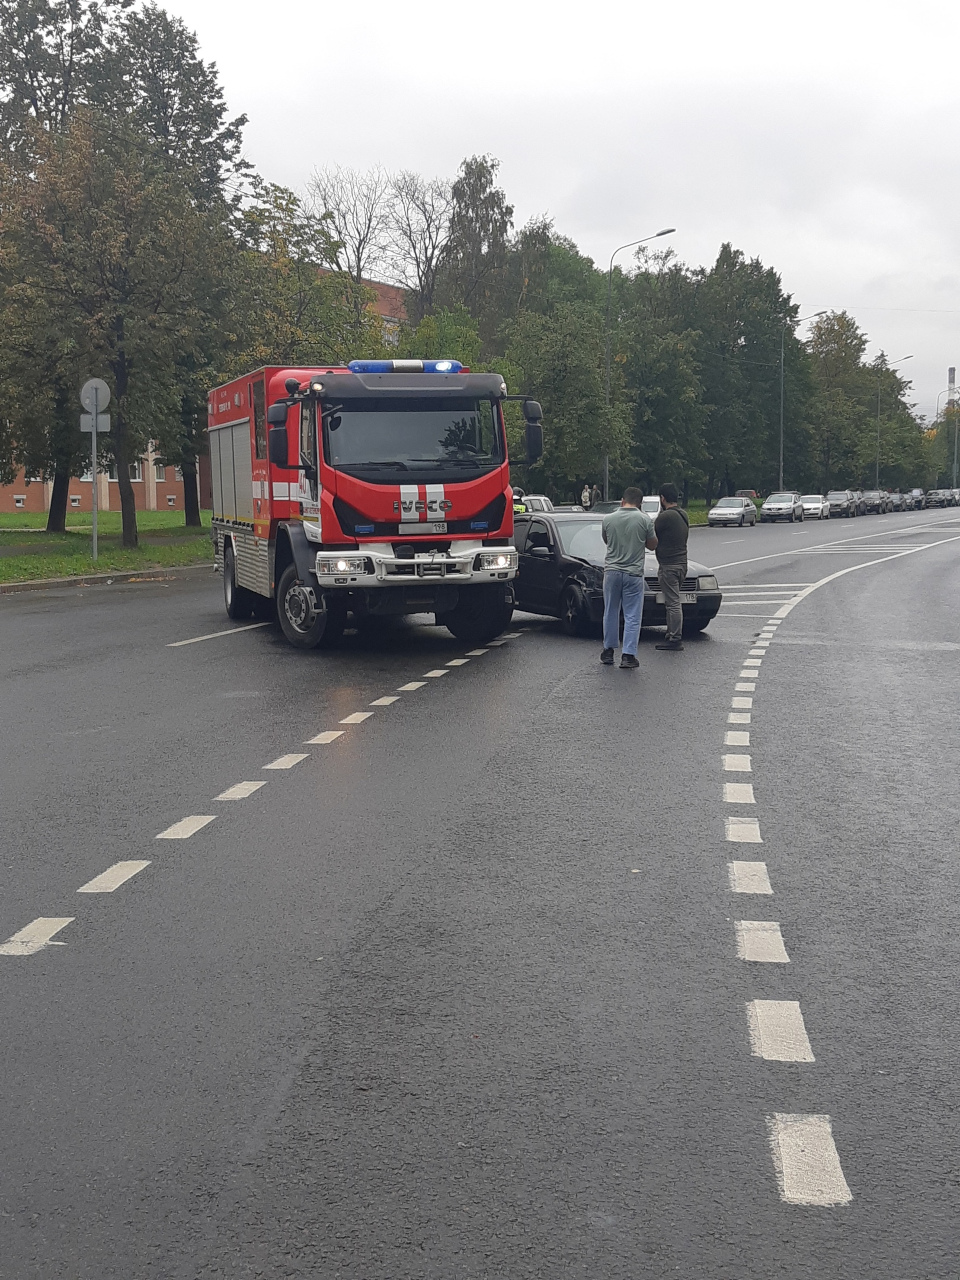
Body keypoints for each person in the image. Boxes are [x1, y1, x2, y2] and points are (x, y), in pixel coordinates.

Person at [600, 486, 658, 669]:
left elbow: (606, 540)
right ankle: (628, 655)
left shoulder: (608, 519)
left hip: (612, 572)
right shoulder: (644, 520)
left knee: (610, 611)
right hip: (633, 573)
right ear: (640, 504)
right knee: (632, 615)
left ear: (622, 501)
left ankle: (608, 651)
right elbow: (652, 545)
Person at [653, 482, 689, 651]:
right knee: (672, 601)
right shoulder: (683, 514)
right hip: (682, 564)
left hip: (669, 565)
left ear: (662, 498)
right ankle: (671, 633)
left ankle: (675, 638)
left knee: (673, 603)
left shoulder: (665, 517)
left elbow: (651, 534)